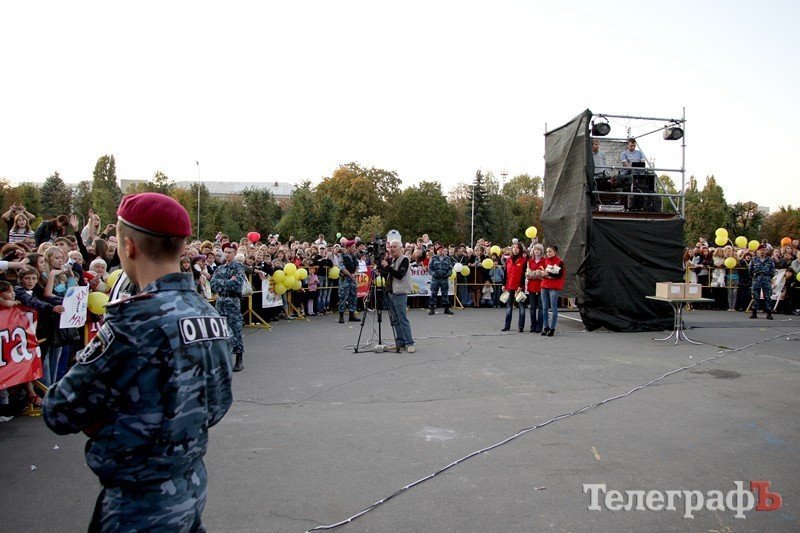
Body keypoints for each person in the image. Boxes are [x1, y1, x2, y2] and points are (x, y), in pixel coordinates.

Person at [42, 192, 233, 532]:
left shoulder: (134, 321)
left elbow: (60, 409)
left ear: (128, 246)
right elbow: (216, 405)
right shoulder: (209, 314)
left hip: (139, 501)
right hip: (189, 483)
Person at [211, 241, 247, 371]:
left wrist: (222, 282)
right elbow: (213, 284)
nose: (226, 254)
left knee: (235, 329)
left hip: (233, 301)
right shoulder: (220, 268)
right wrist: (227, 281)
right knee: (221, 330)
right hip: (220, 301)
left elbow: (236, 283)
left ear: (235, 253)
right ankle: (224, 359)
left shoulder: (238, 267)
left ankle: (239, 360)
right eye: (225, 252)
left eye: (229, 252)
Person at [380, 239, 415, 352]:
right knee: (395, 319)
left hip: (400, 292)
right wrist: (382, 269)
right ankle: (400, 342)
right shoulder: (394, 260)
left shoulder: (404, 259)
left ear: (401, 248)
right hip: (392, 292)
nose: (392, 249)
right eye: (391, 247)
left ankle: (410, 343)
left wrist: (388, 267)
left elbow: (400, 275)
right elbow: (390, 274)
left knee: (402, 318)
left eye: (395, 247)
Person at [501, 242, 527, 332]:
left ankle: (521, 327)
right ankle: (507, 326)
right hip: (509, 286)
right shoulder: (508, 260)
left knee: (522, 307)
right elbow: (505, 273)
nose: (515, 249)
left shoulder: (524, 260)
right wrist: (504, 284)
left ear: (520, 250)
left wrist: (521, 286)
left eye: (517, 248)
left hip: (519, 287)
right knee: (508, 307)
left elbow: (524, 275)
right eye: (514, 247)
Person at [541, 245, 565, 337]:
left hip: (553, 288)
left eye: (550, 251)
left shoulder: (559, 262)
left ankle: (552, 328)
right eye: (547, 252)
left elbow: (558, 275)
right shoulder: (546, 261)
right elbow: (543, 272)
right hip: (544, 286)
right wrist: (543, 274)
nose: (548, 253)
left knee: (553, 308)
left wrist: (548, 274)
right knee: (544, 308)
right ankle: (546, 327)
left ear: (555, 252)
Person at [749, 244, 775, 319]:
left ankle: (769, 313)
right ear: (757, 251)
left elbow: (772, 271)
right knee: (755, 296)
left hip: (766, 279)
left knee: (767, 296)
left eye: (763, 250)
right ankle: (754, 312)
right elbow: (750, 270)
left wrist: (769, 277)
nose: (762, 252)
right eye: (760, 250)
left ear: (766, 251)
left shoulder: (770, 260)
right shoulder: (754, 260)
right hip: (757, 278)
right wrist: (754, 277)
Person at [337, 240, 359, 324]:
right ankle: (341, 315)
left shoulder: (354, 256)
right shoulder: (342, 256)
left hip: (352, 279)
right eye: (353, 247)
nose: (354, 248)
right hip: (345, 279)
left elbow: (357, 265)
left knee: (353, 296)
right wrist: (350, 275)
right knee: (343, 297)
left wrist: (355, 273)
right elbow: (342, 268)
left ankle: (352, 314)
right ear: (348, 247)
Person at [427, 244, 454, 315]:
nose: (440, 251)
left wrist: (448, 274)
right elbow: (430, 268)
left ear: (444, 250)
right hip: (435, 279)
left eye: (442, 249)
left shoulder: (447, 258)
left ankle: (446, 309)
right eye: (439, 250)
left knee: (445, 294)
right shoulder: (433, 258)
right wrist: (433, 274)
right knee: (433, 293)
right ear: (437, 251)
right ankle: (432, 308)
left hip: (444, 279)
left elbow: (450, 268)